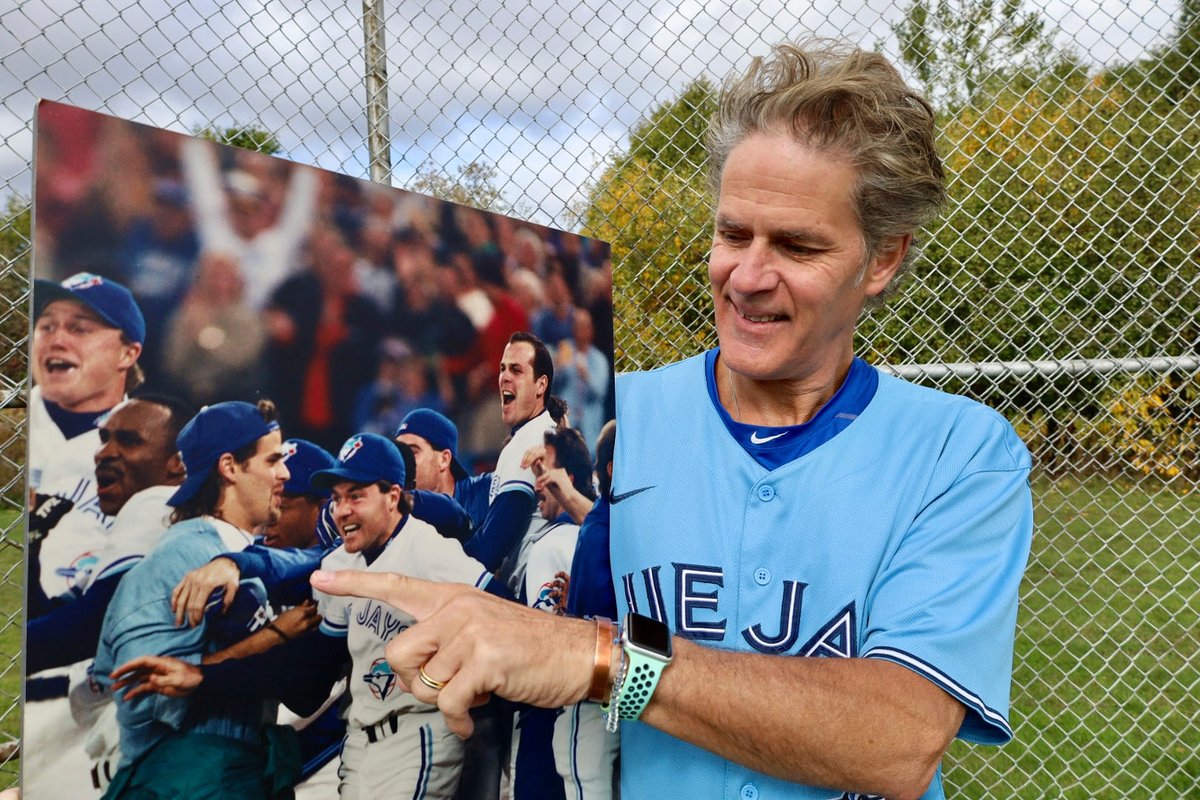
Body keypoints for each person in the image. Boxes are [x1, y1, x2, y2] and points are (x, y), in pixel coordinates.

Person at [313, 40, 1034, 800]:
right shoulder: (618, 419)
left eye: (797, 244)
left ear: (882, 259)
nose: (748, 277)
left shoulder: (961, 452)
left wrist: (603, 659)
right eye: (732, 234)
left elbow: (898, 740)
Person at [94, 400, 304, 799]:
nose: (285, 473)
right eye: (273, 460)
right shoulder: (183, 557)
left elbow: (320, 560)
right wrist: (272, 639)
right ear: (229, 468)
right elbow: (144, 697)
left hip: (223, 772)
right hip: (181, 782)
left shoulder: (239, 555)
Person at [509, 426, 615, 800]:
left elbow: (542, 644)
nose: (537, 484)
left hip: (561, 702)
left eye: (543, 472)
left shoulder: (561, 539)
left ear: (567, 478)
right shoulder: (600, 527)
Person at [28, 271, 145, 604]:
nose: (56, 339)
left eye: (79, 328)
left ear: (128, 354)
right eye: (47, 326)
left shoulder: (155, 450)